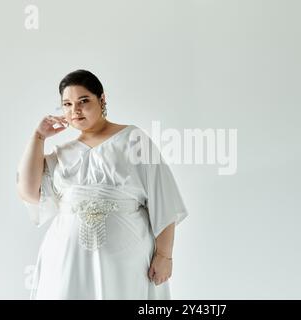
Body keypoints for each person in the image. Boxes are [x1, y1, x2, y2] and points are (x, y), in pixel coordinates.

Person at [16, 69, 188, 299]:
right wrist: (38, 137)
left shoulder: (133, 139)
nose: (75, 110)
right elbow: (29, 193)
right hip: (66, 260)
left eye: (83, 101)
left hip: (126, 261)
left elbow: (164, 198)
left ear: (102, 99)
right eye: (67, 104)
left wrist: (165, 255)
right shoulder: (61, 154)